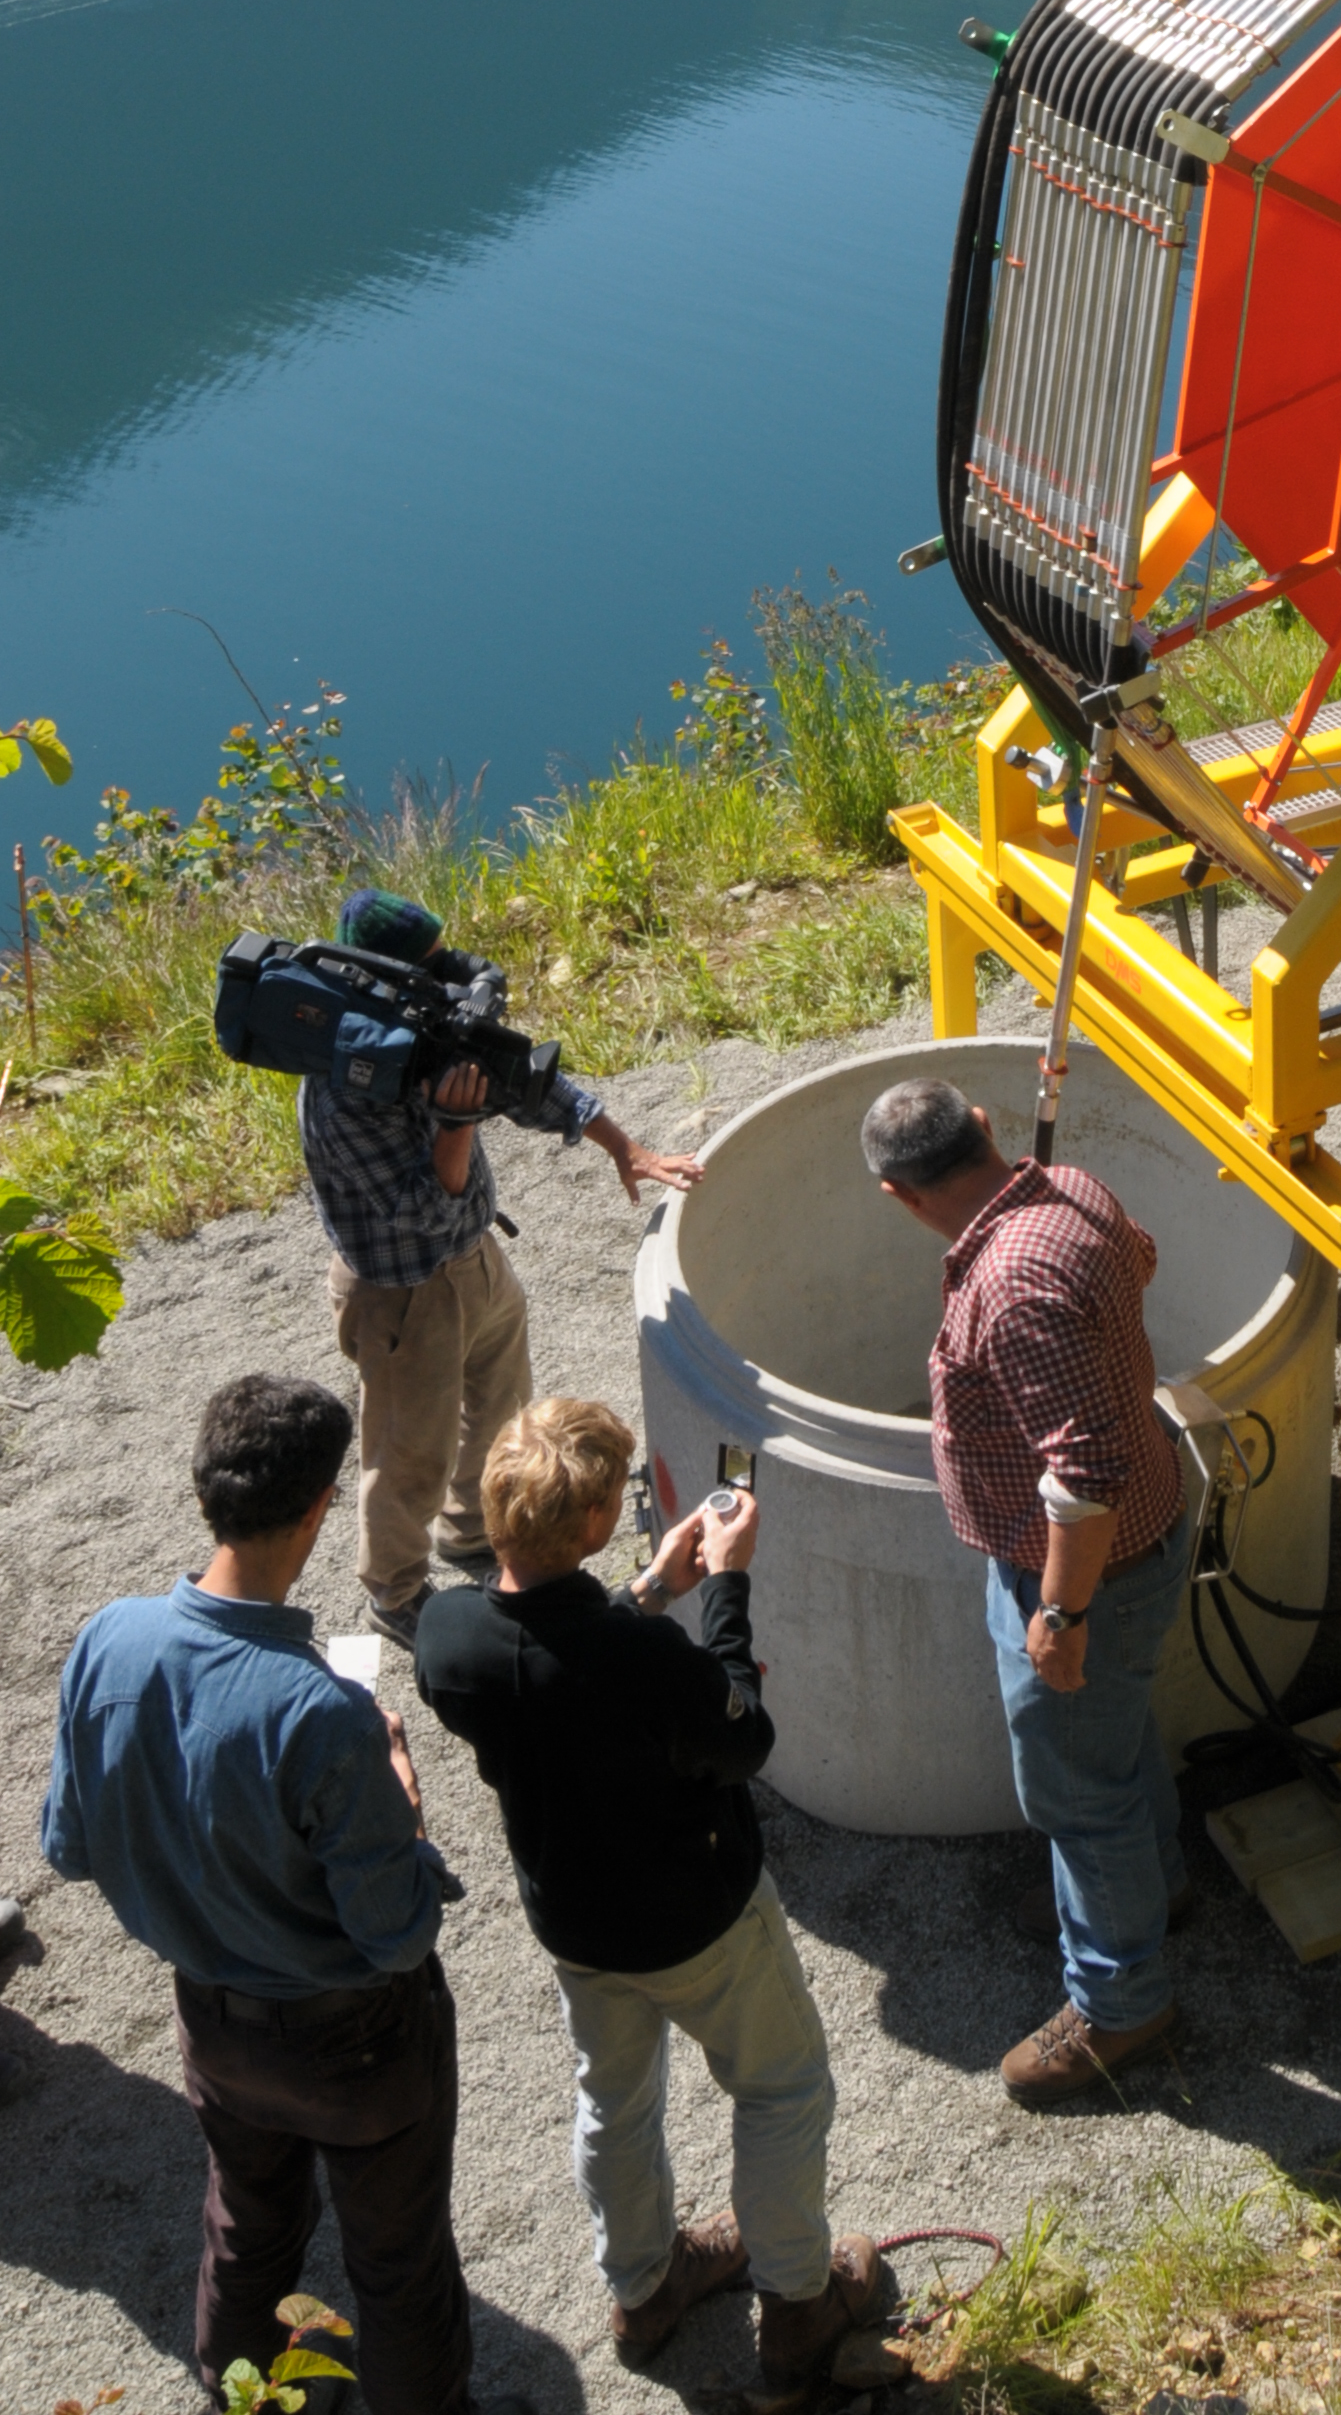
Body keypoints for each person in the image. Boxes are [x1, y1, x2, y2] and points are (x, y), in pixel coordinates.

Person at [412, 1395, 892, 2402]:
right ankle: (798, 2306)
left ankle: (643, 2285)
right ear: (589, 1527)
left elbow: (552, 1657)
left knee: (613, 2097)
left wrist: (644, 1589)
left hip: (577, 1924)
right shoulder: (639, 1662)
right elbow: (741, 1736)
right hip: (696, 1920)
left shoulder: (446, 1634)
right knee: (780, 2086)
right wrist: (724, 1585)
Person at [43, 1372, 480, 2414]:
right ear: (323, 1504)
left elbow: (68, 1846)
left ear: (206, 1492)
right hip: (359, 2050)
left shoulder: (107, 1638)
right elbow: (395, 1933)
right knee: (396, 2267)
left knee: (246, 2233)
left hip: (216, 2032)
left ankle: (237, 2400)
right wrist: (408, 1809)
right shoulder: (323, 1713)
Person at [862, 1076, 1194, 2104]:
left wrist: (1059, 1612)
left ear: (898, 1196)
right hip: (1152, 1517)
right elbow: (1140, 1257)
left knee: (1072, 1789)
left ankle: (1120, 2001)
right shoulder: (1072, 1188)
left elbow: (1084, 1469)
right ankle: (1148, 1892)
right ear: (988, 1131)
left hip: (1092, 1569)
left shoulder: (1007, 1283)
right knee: (1112, 1739)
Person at [305, 892, 699, 1651]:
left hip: (475, 1259)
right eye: (429, 965)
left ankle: (468, 1534)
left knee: (499, 1406)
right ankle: (395, 1592)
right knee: (407, 1448)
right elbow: (424, 1207)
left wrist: (624, 1146)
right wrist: (456, 1124)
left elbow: (526, 1082)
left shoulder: (427, 1026)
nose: (447, 975)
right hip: (402, 1290)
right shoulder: (341, 1090)